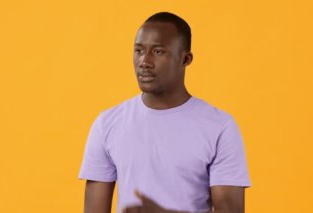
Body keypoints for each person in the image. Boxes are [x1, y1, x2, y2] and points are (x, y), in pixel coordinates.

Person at [78, 11, 251, 213]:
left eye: (158, 52)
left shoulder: (220, 126)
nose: (144, 62)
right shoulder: (107, 123)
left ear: (185, 59)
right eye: (139, 51)